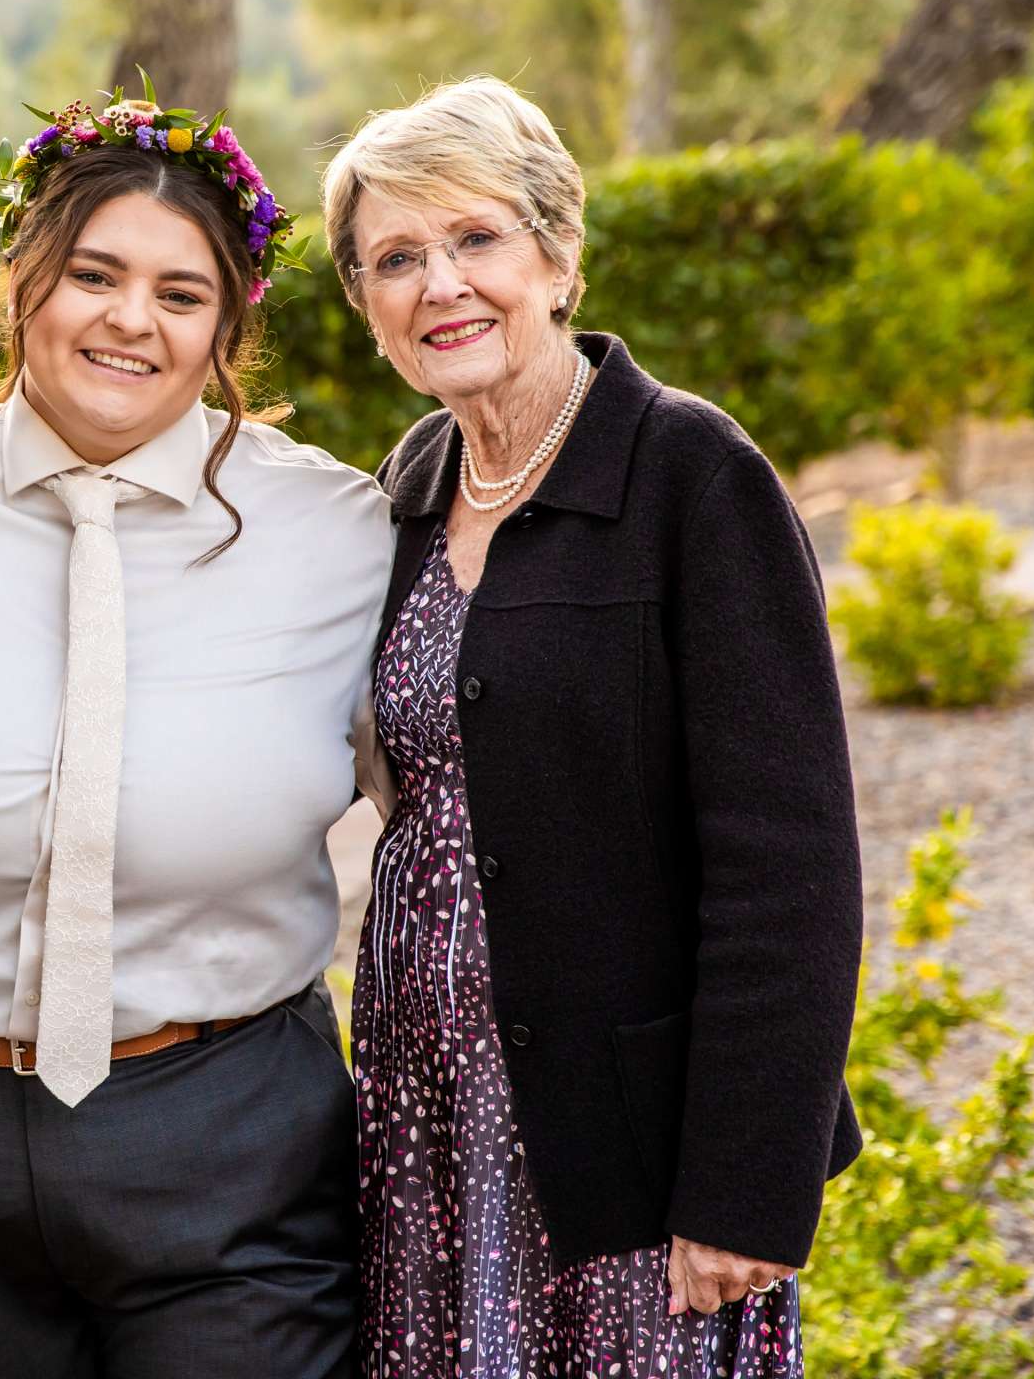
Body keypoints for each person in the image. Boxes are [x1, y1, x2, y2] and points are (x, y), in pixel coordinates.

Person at [0, 97, 386, 1378]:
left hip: (231, 1124)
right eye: (95, 274)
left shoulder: (341, 532)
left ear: (228, 326)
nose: (134, 318)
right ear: (24, 283)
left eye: (182, 293)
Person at [321, 77, 863, 1377]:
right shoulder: (408, 488)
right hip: (430, 1124)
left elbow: (789, 864)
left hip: (630, 1147)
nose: (439, 282)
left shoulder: (692, 476)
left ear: (559, 258)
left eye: (476, 239)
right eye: (396, 258)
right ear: (368, 309)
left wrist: (742, 1186)